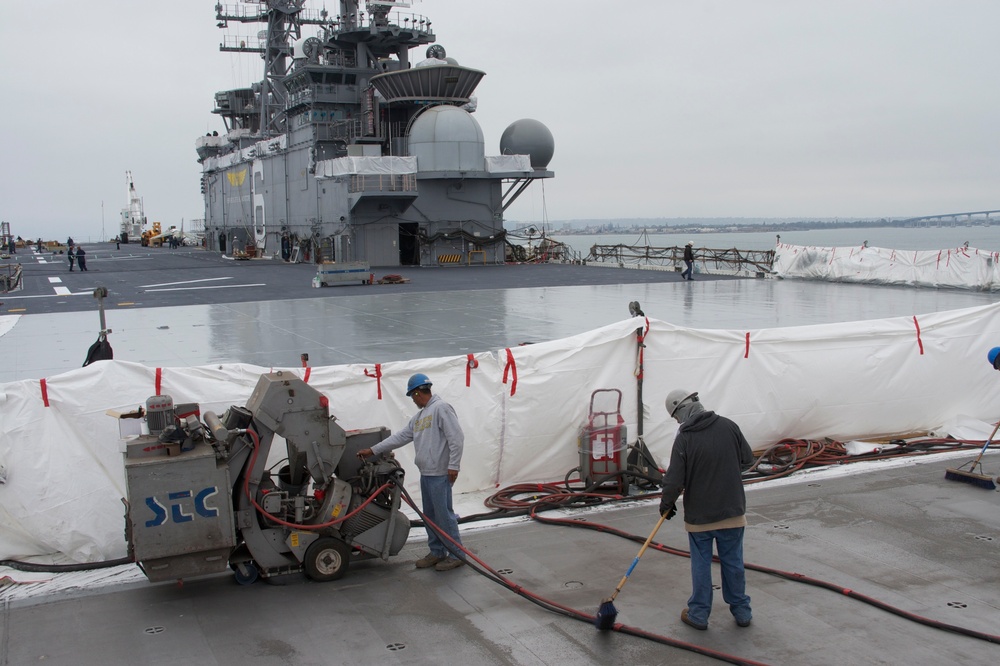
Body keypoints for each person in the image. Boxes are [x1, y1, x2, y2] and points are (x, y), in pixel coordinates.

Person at [659, 389, 754, 631]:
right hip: (732, 511)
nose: (677, 422)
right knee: (733, 562)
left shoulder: (685, 438)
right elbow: (747, 459)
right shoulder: (729, 426)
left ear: (681, 410)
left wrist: (666, 504)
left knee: (701, 565)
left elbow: (674, 479)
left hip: (700, 517)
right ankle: (742, 611)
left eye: (675, 417)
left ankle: (699, 614)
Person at [357, 373, 466, 572]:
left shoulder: (441, 408)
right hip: (427, 473)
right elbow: (400, 437)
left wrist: (454, 466)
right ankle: (437, 551)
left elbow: (456, 438)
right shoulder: (420, 417)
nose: (413, 400)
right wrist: (373, 450)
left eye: (412, 396)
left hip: (440, 473)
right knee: (430, 515)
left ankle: (456, 554)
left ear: (417, 393)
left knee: (444, 514)